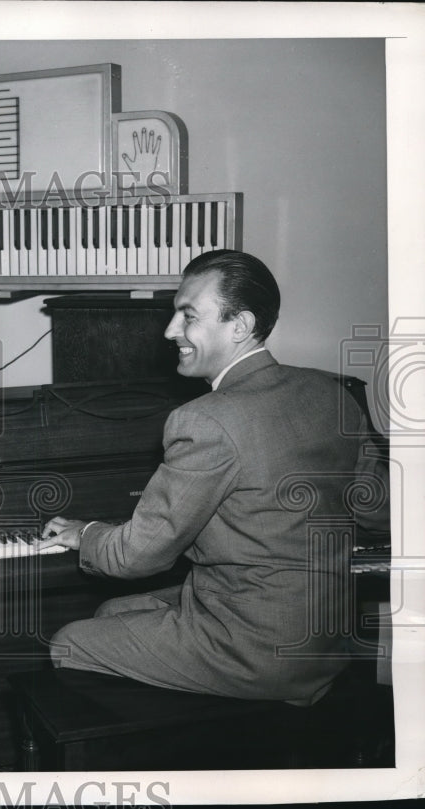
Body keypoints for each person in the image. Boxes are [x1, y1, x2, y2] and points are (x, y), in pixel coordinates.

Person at [39, 250, 389, 707]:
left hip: (260, 650)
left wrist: (84, 532)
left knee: (69, 643)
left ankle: (193, 742)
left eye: (188, 316)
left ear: (239, 326)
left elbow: (135, 556)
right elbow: (378, 512)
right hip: (324, 637)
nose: (170, 330)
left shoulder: (205, 420)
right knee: (113, 612)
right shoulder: (331, 394)